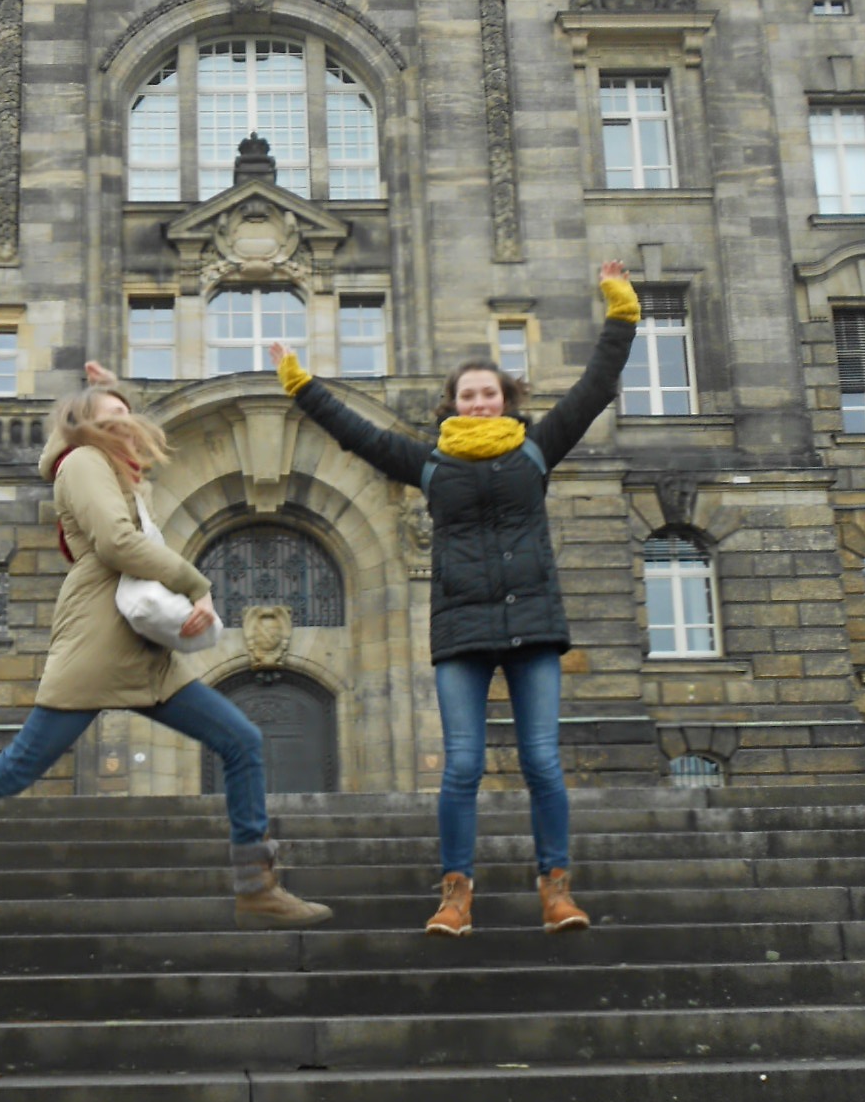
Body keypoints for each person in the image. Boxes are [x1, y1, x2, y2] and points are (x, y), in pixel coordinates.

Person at [0, 366, 331, 926]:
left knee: (241, 740)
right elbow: (115, 542)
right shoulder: (83, 463)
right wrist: (195, 583)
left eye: (128, 414)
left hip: (141, 650)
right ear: (84, 427)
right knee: (13, 771)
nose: (126, 422)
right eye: (112, 417)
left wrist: (115, 391)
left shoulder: (114, 470)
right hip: (98, 638)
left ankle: (255, 884)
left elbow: (123, 497)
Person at [269, 261, 639, 938]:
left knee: (541, 762)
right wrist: (301, 384)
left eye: (489, 393)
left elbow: (594, 387)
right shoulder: (430, 463)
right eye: (468, 395)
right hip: (462, 627)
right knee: (462, 765)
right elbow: (356, 433)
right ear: (453, 403)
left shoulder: (536, 449)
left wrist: (621, 309)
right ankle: (455, 895)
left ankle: (556, 891)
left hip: (533, 623)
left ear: (506, 399)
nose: (479, 403)